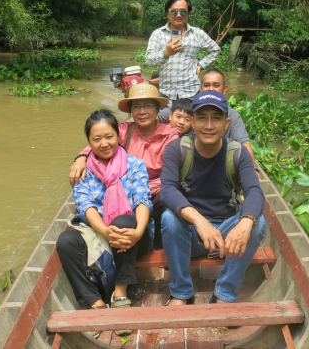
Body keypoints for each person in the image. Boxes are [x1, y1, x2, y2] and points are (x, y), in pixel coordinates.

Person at [160, 91, 267, 305]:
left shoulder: (238, 153)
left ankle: (224, 293)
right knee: (169, 219)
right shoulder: (177, 149)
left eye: (216, 118)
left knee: (258, 222)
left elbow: (254, 191)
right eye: (202, 118)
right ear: (193, 121)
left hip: (226, 237)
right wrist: (199, 221)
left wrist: (245, 223)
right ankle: (181, 292)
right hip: (191, 235)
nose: (209, 125)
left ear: (227, 123)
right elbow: (167, 190)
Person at [56, 110, 152, 335]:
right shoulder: (82, 170)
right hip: (99, 232)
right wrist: (105, 231)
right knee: (65, 240)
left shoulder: (135, 165)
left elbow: (142, 201)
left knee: (124, 220)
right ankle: (94, 302)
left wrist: (138, 231)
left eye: (108, 136)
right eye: (96, 139)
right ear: (88, 143)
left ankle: (120, 291)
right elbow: (86, 206)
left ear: (118, 135)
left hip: (133, 236)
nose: (104, 143)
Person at [69, 83, 178, 242]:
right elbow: (100, 141)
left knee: (167, 196)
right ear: (131, 111)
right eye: (136, 107)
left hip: (155, 190)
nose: (142, 111)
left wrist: (142, 189)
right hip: (125, 189)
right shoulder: (124, 130)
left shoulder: (169, 136)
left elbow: (170, 174)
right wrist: (81, 158)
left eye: (147, 106)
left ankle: (159, 242)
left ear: (156, 109)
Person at [144, 0, 221, 123]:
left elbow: (215, 50)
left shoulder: (197, 34)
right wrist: (165, 53)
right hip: (166, 95)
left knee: (192, 130)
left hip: (191, 94)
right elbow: (148, 60)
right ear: (168, 13)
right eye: (174, 12)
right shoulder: (158, 34)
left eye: (183, 12)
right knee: (157, 124)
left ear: (188, 14)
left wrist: (200, 65)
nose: (178, 15)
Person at [200, 68, 256, 163]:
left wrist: (254, 169)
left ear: (224, 89)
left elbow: (245, 144)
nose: (211, 90)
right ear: (201, 88)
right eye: (206, 85)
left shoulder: (233, 115)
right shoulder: (192, 111)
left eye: (216, 85)